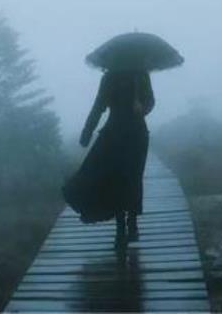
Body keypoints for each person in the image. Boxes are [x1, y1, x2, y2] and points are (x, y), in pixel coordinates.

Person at [63, 69, 154, 248]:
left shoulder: (141, 74)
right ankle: (121, 228)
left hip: (136, 134)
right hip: (114, 133)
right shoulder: (110, 77)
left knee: (134, 176)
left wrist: (143, 108)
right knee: (116, 178)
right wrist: (87, 132)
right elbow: (99, 106)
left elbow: (150, 100)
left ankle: (132, 223)